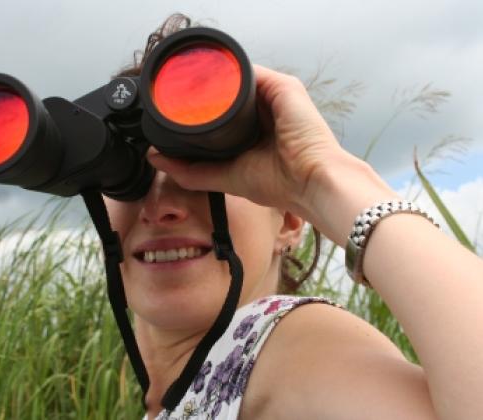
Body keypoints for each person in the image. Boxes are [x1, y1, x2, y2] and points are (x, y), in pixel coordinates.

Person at [103, 14, 483, 419]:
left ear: (288, 221)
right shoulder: (190, 390)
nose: (159, 209)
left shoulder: (291, 351)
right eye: (131, 180)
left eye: (204, 174)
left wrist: (319, 179)